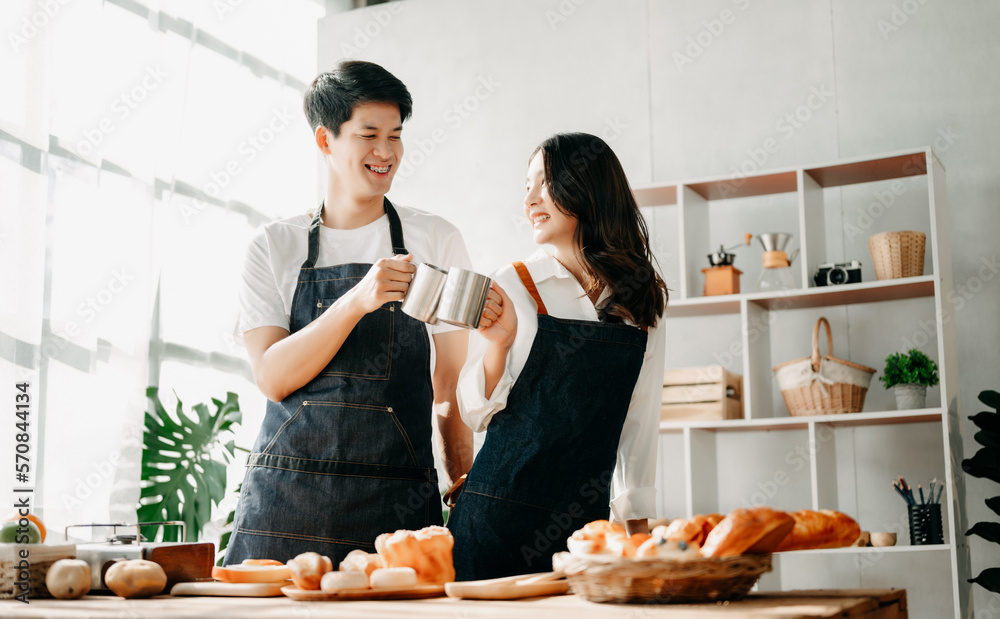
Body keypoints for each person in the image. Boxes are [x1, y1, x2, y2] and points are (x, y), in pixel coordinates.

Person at [225, 61, 473, 565]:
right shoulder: (274, 245)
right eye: (369, 135)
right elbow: (273, 375)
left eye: (396, 135)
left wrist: (461, 482)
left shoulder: (437, 240)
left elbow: (449, 388)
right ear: (325, 140)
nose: (386, 152)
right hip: (284, 503)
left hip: (395, 504)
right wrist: (358, 300)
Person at [447, 132, 668, 581]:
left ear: (588, 186)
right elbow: (474, 411)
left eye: (545, 183)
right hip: (494, 518)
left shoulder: (640, 300)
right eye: (526, 186)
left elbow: (639, 419)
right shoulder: (513, 282)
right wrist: (498, 345)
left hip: (585, 529)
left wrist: (637, 531)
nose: (530, 199)